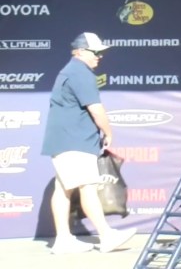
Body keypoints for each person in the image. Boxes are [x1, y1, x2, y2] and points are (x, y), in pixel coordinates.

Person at [41, 32, 136, 254]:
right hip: (76, 140)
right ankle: (106, 235)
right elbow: (96, 109)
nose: (100, 56)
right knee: (88, 187)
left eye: (101, 52)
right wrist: (108, 132)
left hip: (65, 139)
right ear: (81, 52)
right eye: (96, 52)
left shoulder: (71, 70)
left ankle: (63, 240)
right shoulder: (80, 72)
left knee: (63, 189)